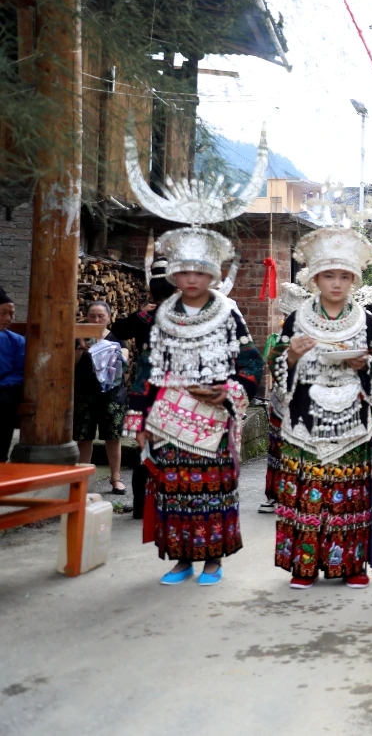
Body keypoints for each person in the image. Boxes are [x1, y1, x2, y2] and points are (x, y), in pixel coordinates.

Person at [133, 228, 263, 586]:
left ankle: (213, 560)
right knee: (172, 490)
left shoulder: (227, 315)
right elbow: (146, 366)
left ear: (212, 276)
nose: (192, 279)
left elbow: (250, 362)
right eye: (185, 271)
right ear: (174, 274)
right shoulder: (163, 317)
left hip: (213, 420)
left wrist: (229, 391)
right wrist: (140, 417)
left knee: (212, 491)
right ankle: (180, 560)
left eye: (200, 271)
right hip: (167, 419)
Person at [268, 227, 372, 590]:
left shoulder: (367, 321)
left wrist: (365, 366)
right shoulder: (296, 318)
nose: (336, 283)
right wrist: (291, 356)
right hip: (306, 415)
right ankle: (303, 565)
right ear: (315, 277)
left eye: (344, 276)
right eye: (329, 275)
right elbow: (275, 362)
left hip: (352, 417)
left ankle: (350, 565)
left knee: (349, 494)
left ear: (354, 280)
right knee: (306, 491)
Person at [115, 258, 176, 515]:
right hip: (175, 388)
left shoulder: (143, 317)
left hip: (146, 387)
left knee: (146, 446)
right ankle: (169, 502)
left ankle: (142, 505)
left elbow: (116, 330)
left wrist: (141, 312)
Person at [260, 281, 311, 515]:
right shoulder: (283, 334)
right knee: (278, 448)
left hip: (307, 400)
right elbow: (275, 363)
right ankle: (276, 493)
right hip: (284, 397)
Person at [74, 301, 128, 493]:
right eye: (92, 316)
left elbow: (124, 363)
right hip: (84, 393)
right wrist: (81, 347)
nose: (96, 319)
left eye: (100, 316)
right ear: (86, 317)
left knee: (113, 437)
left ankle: (116, 478)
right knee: (84, 437)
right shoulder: (79, 336)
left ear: (109, 317)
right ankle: (82, 479)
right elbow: (72, 363)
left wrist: (106, 352)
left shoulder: (117, 338)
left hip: (112, 395)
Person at [0, 288, 24, 460]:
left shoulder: (16, 340)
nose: (8, 318)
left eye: (11, 314)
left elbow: (21, 370)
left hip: (5, 390)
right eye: (3, 313)